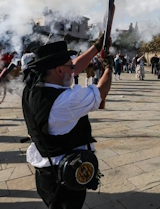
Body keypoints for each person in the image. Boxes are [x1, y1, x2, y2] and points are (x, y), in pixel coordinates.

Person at [22, 38, 113, 209]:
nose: (74, 70)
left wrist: (96, 48)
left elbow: (74, 67)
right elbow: (100, 92)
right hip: (64, 173)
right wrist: (109, 67)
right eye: (69, 67)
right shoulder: (66, 101)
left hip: (47, 171)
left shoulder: (34, 85)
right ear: (58, 70)